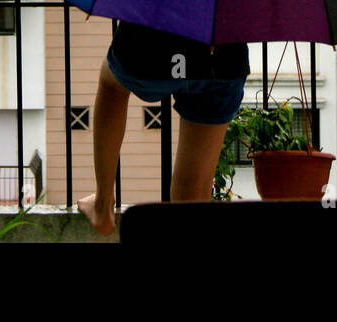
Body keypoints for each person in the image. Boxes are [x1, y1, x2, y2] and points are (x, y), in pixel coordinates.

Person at [77, 20, 249, 236]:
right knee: (192, 191)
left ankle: (102, 204)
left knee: (111, 82)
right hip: (223, 59)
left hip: (153, 48)